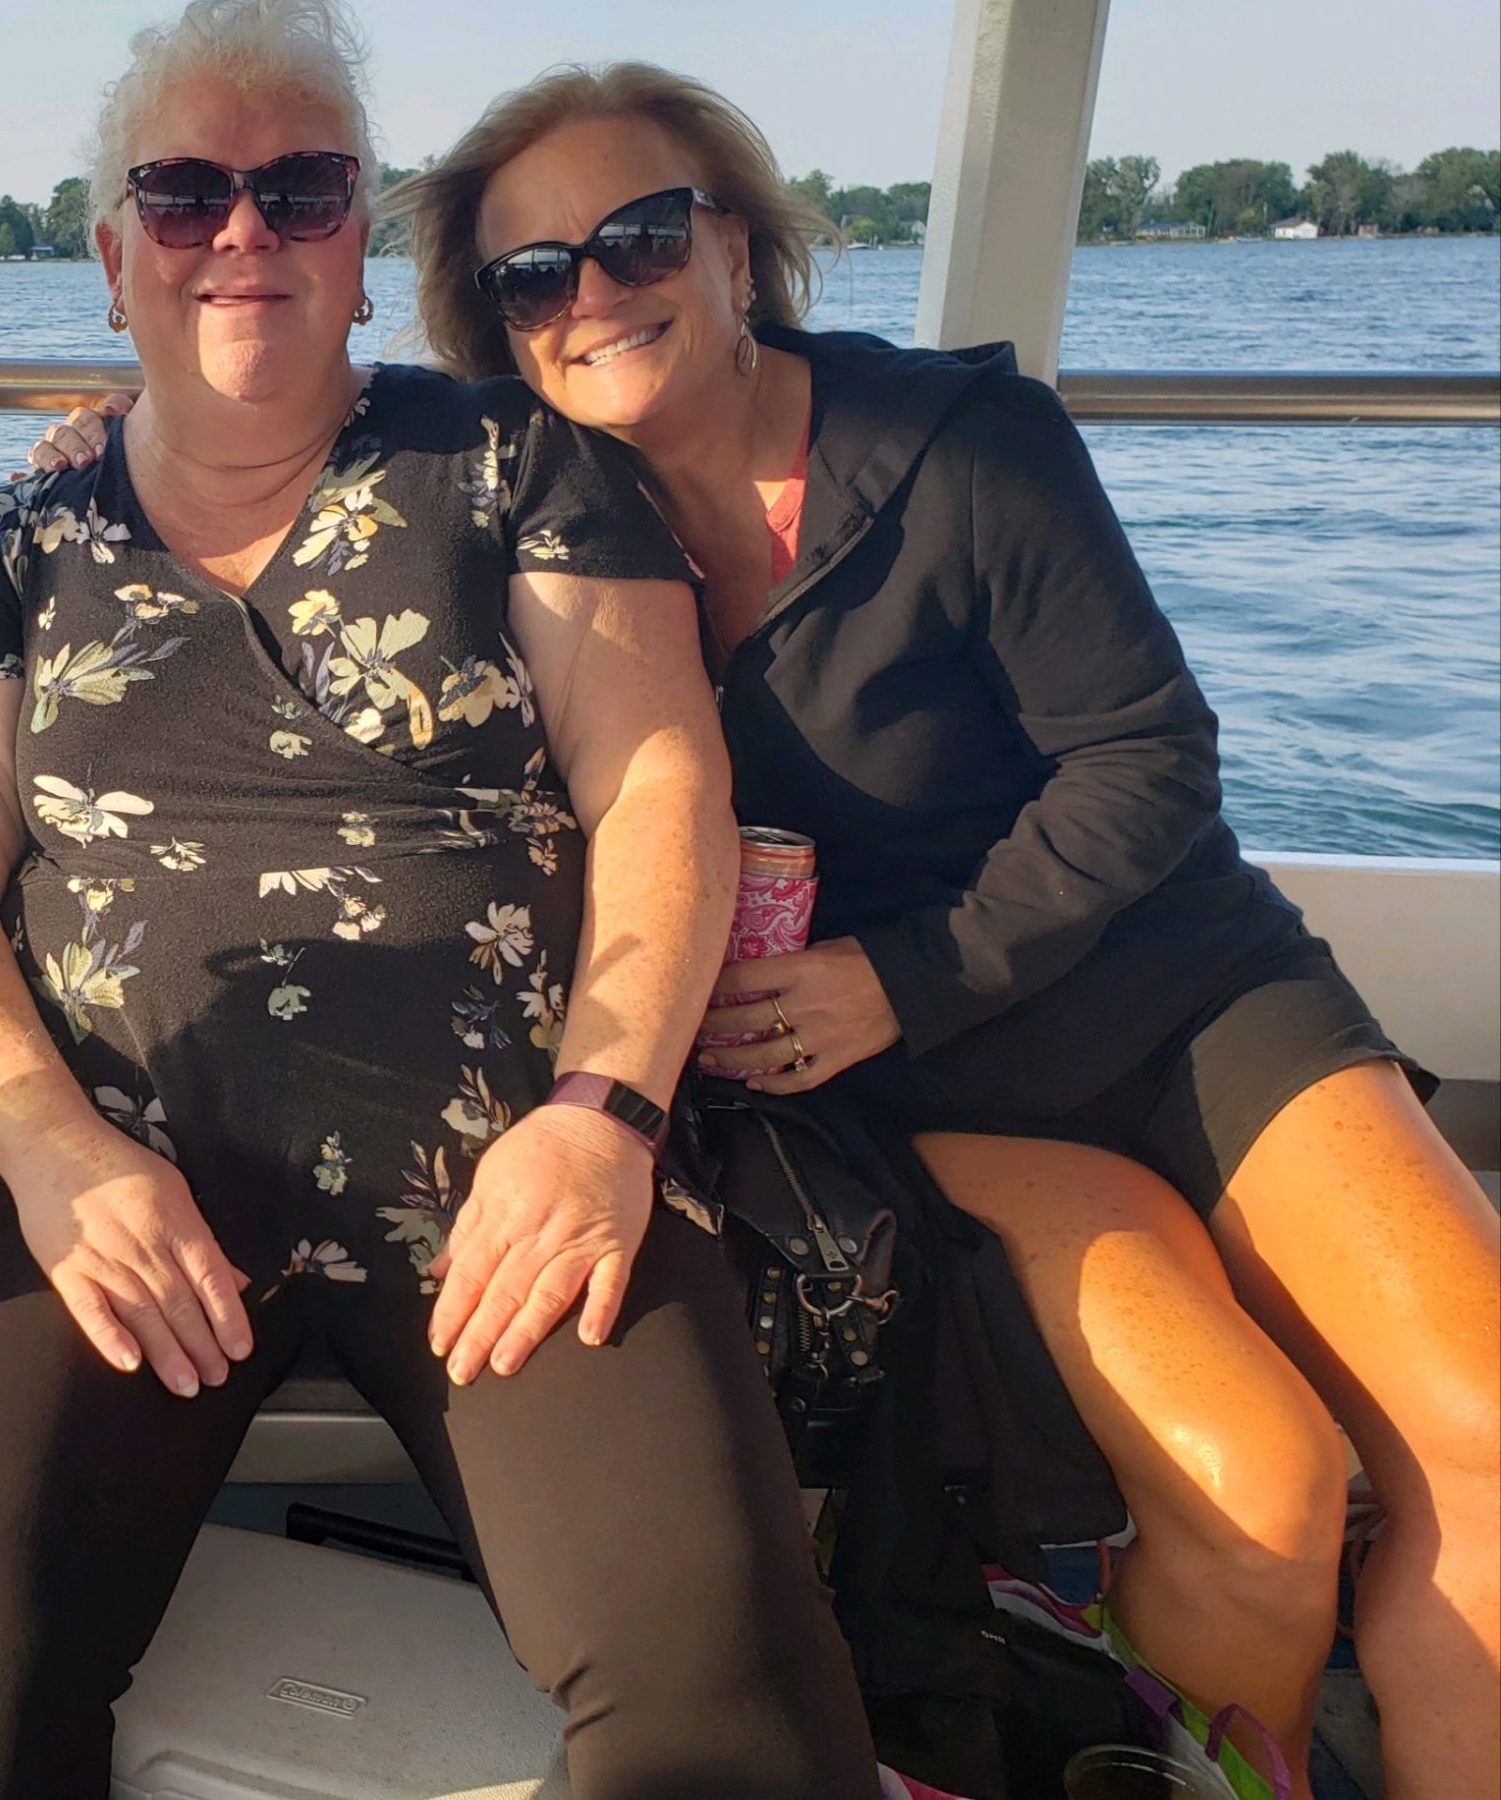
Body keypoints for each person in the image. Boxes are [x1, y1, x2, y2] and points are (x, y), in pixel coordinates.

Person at [377, 62, 1499, 1800]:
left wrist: (905, 976)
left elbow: (1149, 763)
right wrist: (102, 433)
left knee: (1491, 1438)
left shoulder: (963, 445)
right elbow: (286, 470)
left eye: (641, 234)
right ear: (502, 330)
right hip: (920, 1102)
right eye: (536, 274)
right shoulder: (529, 525)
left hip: (1180, 997)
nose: (594, 292)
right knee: (1262, 1493)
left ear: (738, 249)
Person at [0, 3, 887, 1795]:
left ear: (363, 253)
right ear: (112, 261)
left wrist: (606, 1110)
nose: (241, 235)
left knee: (726, 1707)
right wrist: (51, 1152)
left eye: (302, 192)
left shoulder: (516, 467)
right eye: (183, 194)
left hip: (506, 1167)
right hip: (115, 1174)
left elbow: (660, 784)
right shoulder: (5, 542)